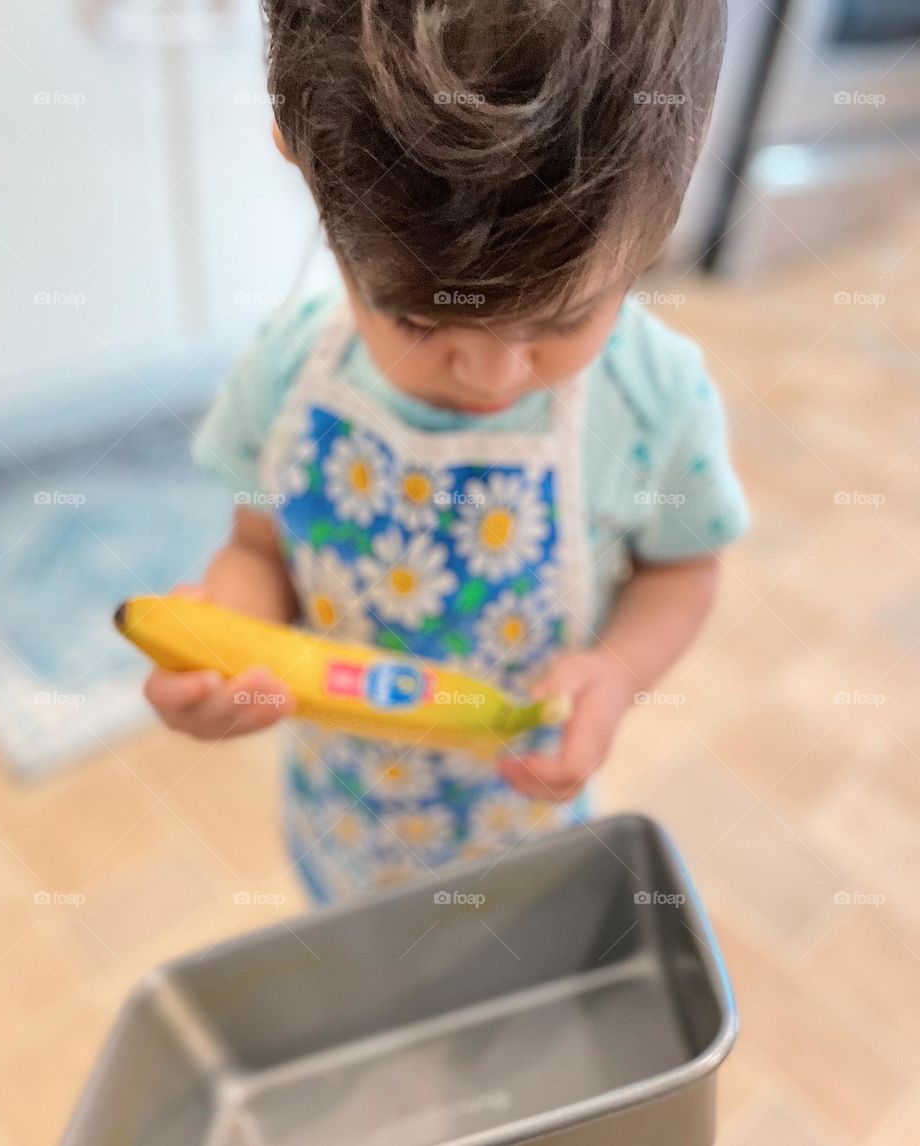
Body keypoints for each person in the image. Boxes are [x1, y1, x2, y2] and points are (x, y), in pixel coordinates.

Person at [144, 0, 748, 903]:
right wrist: (231, 644)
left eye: (565, 318)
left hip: (526, 826)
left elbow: (683, 572)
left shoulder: (654, 400)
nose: (491, 371)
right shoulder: (288, 369)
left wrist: (617, 673)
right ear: (304, 165)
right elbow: (259, 548)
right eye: (418, 319)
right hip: (345, 818)